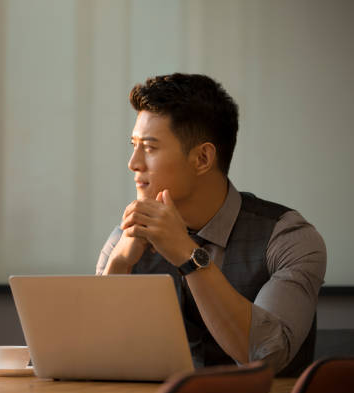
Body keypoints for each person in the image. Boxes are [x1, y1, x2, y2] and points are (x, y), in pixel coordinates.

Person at [96, 73, 326, 376]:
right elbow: (94, 356)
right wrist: (120, 265)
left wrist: (188, 256)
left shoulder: (289, 237)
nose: (133, 162)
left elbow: (267, 355)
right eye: (133, 145)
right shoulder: (125, 238)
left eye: (149, 148)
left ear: (203, 158)